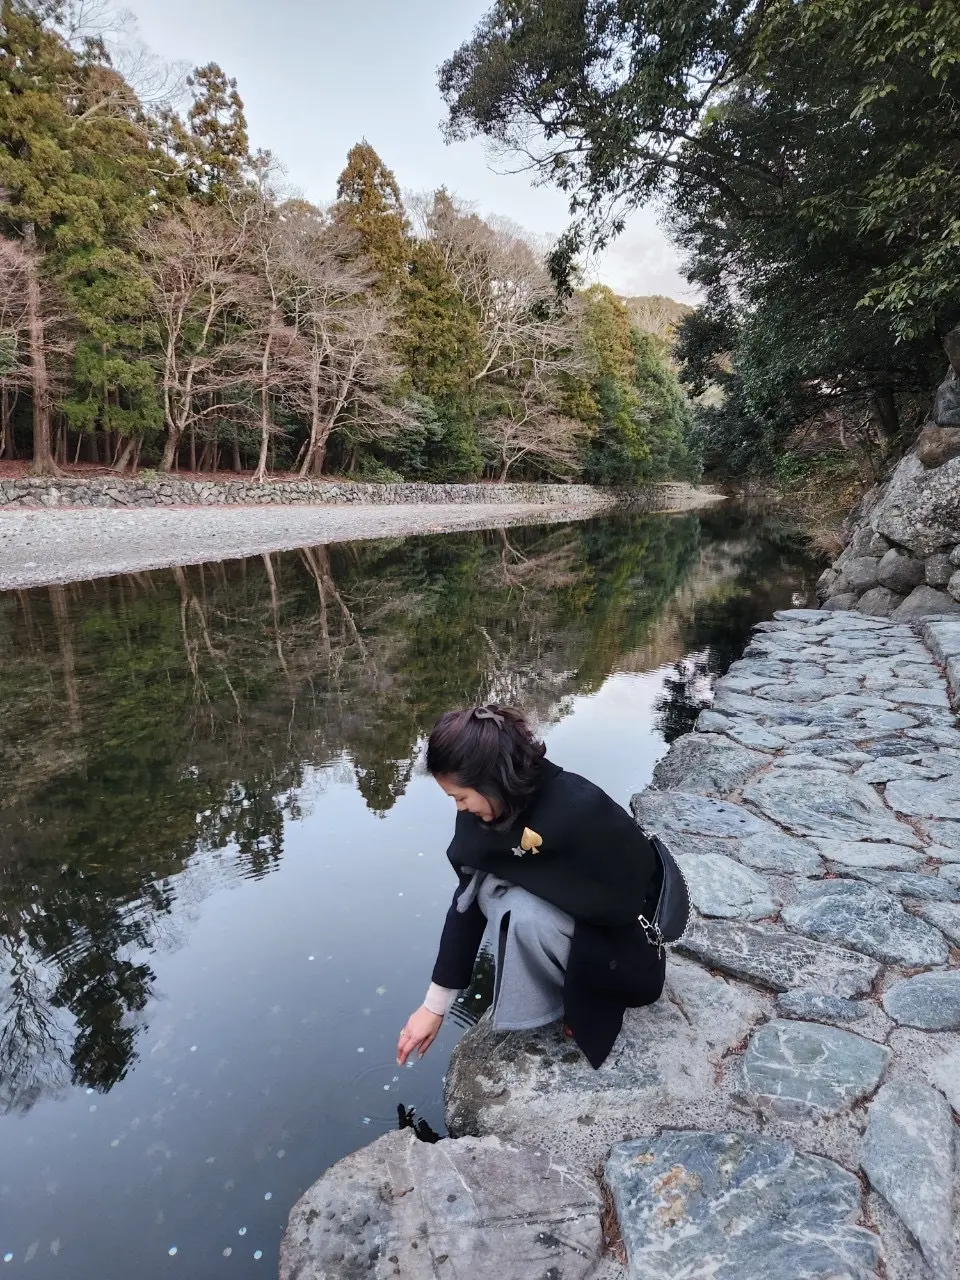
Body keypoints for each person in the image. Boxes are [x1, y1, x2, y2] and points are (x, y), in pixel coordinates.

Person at [397, 704, 666, 1071]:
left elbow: (637, 898)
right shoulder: (483, 817)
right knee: (490, 889)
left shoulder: (578, 806)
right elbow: (467, 905)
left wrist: (590, 1004)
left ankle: (583, 1001)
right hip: (576, 931)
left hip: (624, 956)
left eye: (461, 797)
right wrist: (434, 1005)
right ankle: (550, 999)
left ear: (490, 780)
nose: (460, 809)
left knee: (521, 910)